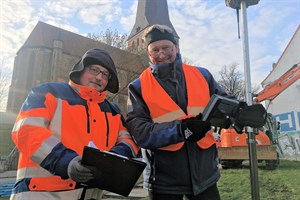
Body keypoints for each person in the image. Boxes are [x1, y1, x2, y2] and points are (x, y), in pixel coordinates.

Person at [10, 48, 139, 200]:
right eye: (94, 70)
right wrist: (67, 161)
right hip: (40, 193)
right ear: (81, 69)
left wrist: (113, 159)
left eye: (105, 75)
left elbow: (129, 140)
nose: (99, 77)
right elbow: (26, 130)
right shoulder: (48, 92)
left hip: (91, 195)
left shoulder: (113, 111)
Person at [126, 24, 229, 200]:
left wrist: (240, 113)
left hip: (204, 175)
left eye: (166, 48)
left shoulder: (202, 75)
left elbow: (224, 104)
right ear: (148, 54)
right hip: (163, 180)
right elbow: (140, 132)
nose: (161, 54)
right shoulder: (138, 87)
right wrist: (181, 130)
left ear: (176, 47)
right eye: (155, 50)